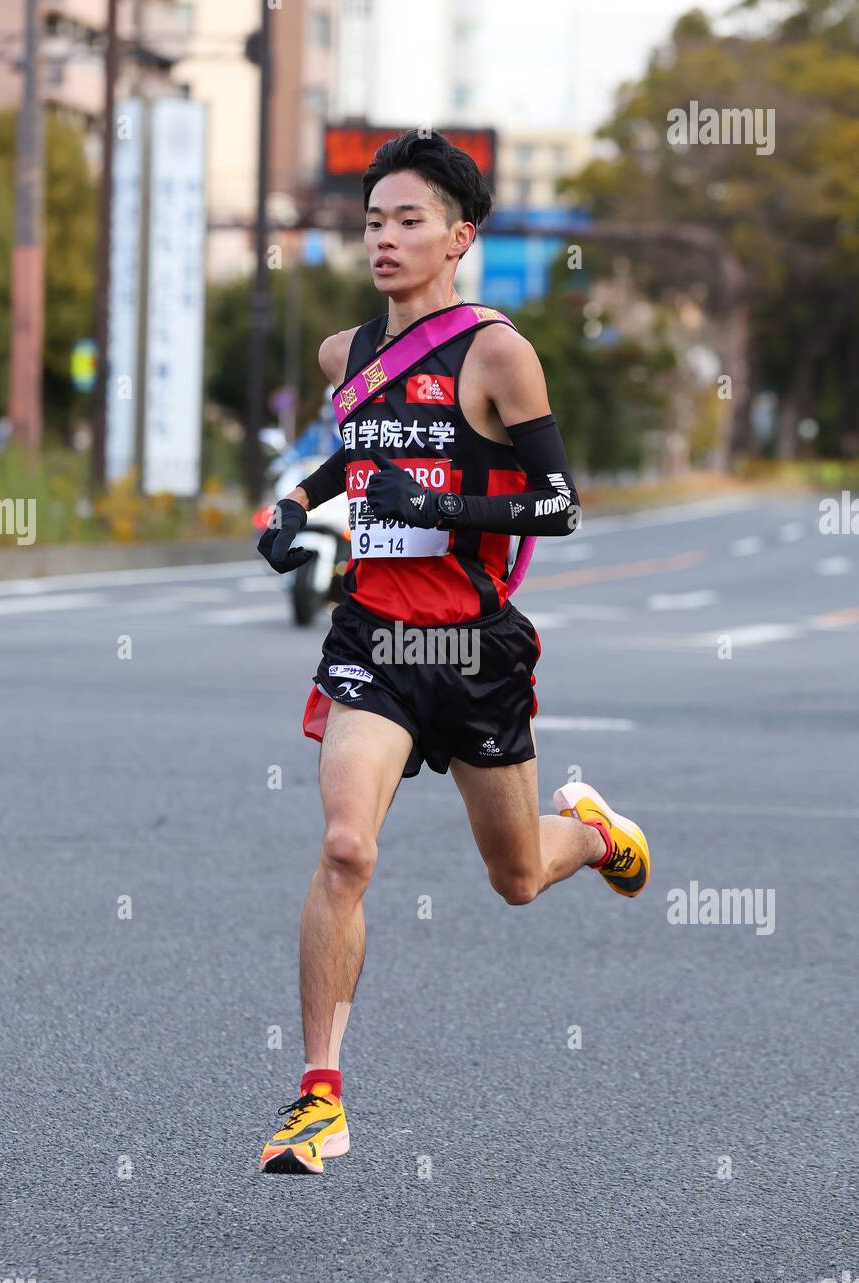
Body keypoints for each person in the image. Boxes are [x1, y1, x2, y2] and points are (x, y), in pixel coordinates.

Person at [256, 130, 650, 1175]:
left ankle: (594, 832)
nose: (383, 238)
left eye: (408, 221)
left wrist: (437, 499)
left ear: (458, 237)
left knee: (516, 875)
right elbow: (360, 447)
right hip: (373, 637)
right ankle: (318, 1096)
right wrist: (295, 502)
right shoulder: (345, 354)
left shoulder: (497, 352)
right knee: (346, 846)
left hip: (473, 644)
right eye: (373, 220)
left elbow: (557, 502)